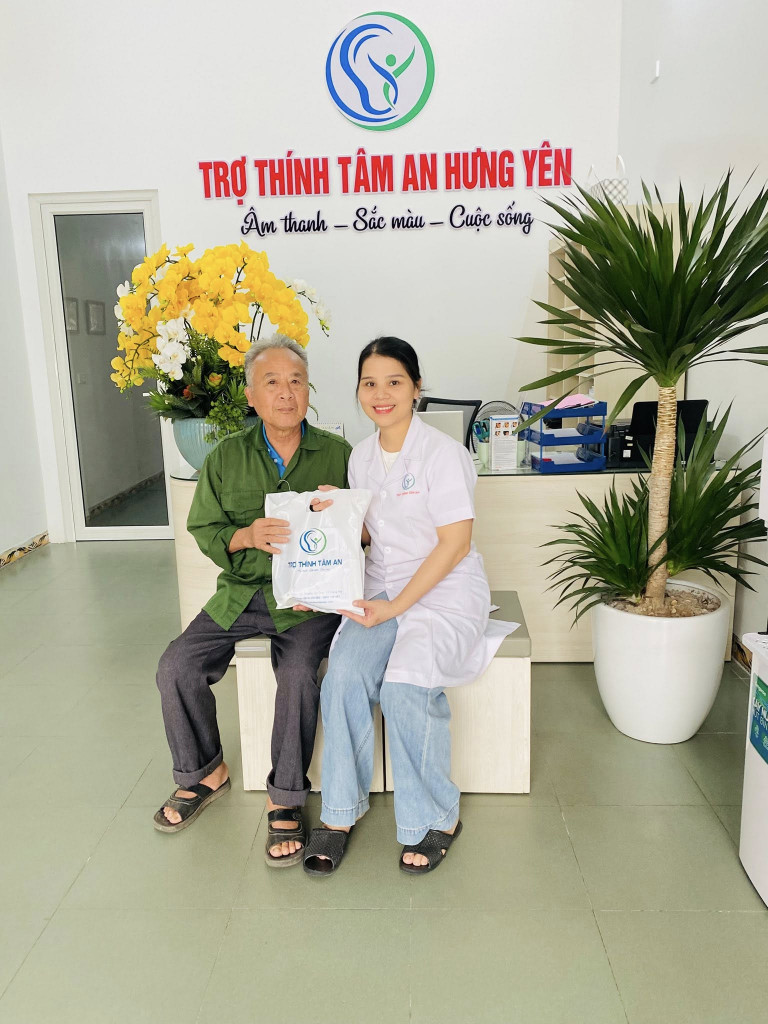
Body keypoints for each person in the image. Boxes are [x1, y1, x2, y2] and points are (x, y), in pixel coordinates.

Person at [302, 337, 513, 876]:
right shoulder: (360, 457)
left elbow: (455, 544)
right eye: (369, 383)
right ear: (358, 391)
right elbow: (375, 537)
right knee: (343, 677)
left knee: (404, 686)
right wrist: (339, 511)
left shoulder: (444, 454)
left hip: (446, 590)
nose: (381, 394)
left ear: (417, 388)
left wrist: (395, 607)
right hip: (383, 589)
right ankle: (339, 814)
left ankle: (437, 818)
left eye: (394, 382)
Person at [154, 334, 351, 869]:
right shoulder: (226, 456)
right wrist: (245, 535)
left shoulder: (339, 454)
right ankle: (203, 773)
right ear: (250, 395)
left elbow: (366, 535)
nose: (286, 392)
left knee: (299, 675)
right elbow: (204, 527)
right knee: (176, 666)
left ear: (308, 390)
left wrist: (342, 519)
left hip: (308, 602)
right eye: (272, 382)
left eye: (296, 381)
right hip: (242, 594)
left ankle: (285, 797)